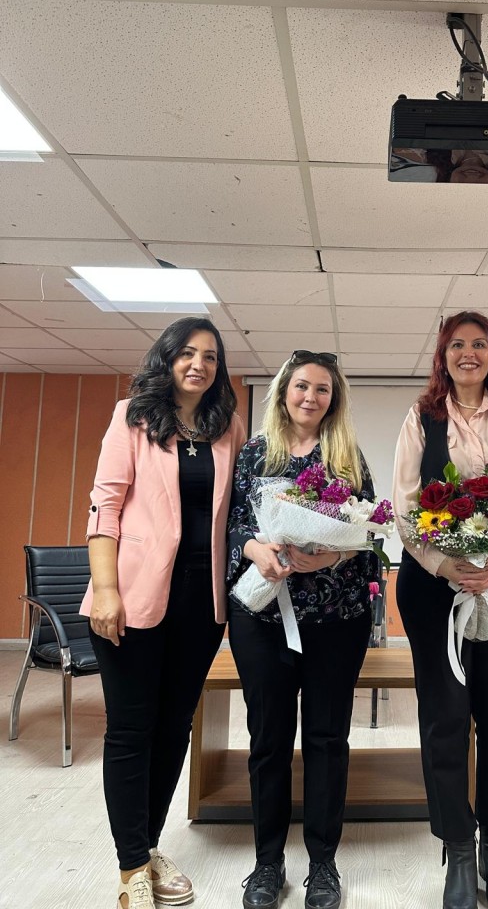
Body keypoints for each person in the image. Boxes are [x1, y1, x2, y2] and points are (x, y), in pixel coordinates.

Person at [82, 317, 246, 909]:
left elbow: (236, 510)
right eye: (188, 353)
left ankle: (147, 847)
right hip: (130, 596)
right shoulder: (132, 416)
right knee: (132, 729)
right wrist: (106, 590)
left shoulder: (227, 425)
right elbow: (105, 508)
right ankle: (131, 868)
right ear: (168, 358)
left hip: (201, 605)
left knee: (175, 726)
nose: (199, 364)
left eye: (210, 356)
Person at [392, 311, 488, 909]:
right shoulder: (421, 417)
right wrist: (444, 564)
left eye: (480, 344)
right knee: (445, 715)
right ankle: (457, 845)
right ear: (443, 354)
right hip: (434, 585)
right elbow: (406, 504)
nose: (469, 353)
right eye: (457, 344)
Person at [227, 350, 378, 909]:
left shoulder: (347, 459)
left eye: (322, 389)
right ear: (283, 392)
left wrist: (332, 556)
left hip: (336, 620)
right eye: (301, 386)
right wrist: (256, 550)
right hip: (264, 618)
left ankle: (322, 864)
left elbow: (368, 533)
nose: (310, 397)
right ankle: (267, 863)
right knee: (268, 741)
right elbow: (233, 525)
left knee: (326, 740)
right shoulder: (254, 453)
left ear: (333, 398)